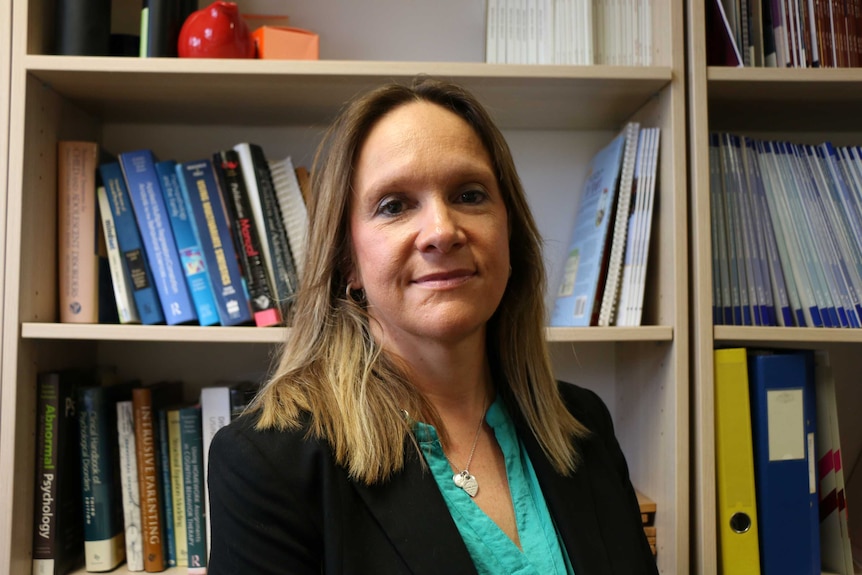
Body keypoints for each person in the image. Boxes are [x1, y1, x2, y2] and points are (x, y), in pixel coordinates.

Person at [207, 76, 658, 575]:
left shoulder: (584, 424)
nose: (443, 231)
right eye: (394, 206)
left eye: (469, 194)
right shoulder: (267, 463)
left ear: (510, 235)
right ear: (347, 263)